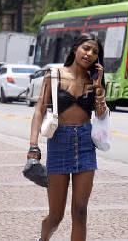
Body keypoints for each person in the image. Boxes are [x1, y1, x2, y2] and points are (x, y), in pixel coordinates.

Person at [28, 33, 107, 241]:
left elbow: (100, 115)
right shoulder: (54, 74)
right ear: (75, 49)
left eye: (95, 52)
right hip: (59, 143)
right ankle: (43, 239)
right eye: (86, 49)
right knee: (56, 215)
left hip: (85, 144)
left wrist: (98, 88)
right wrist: (33, 146)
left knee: (80, 212)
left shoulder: (94, 81)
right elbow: (39, 111)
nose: (89, 54)